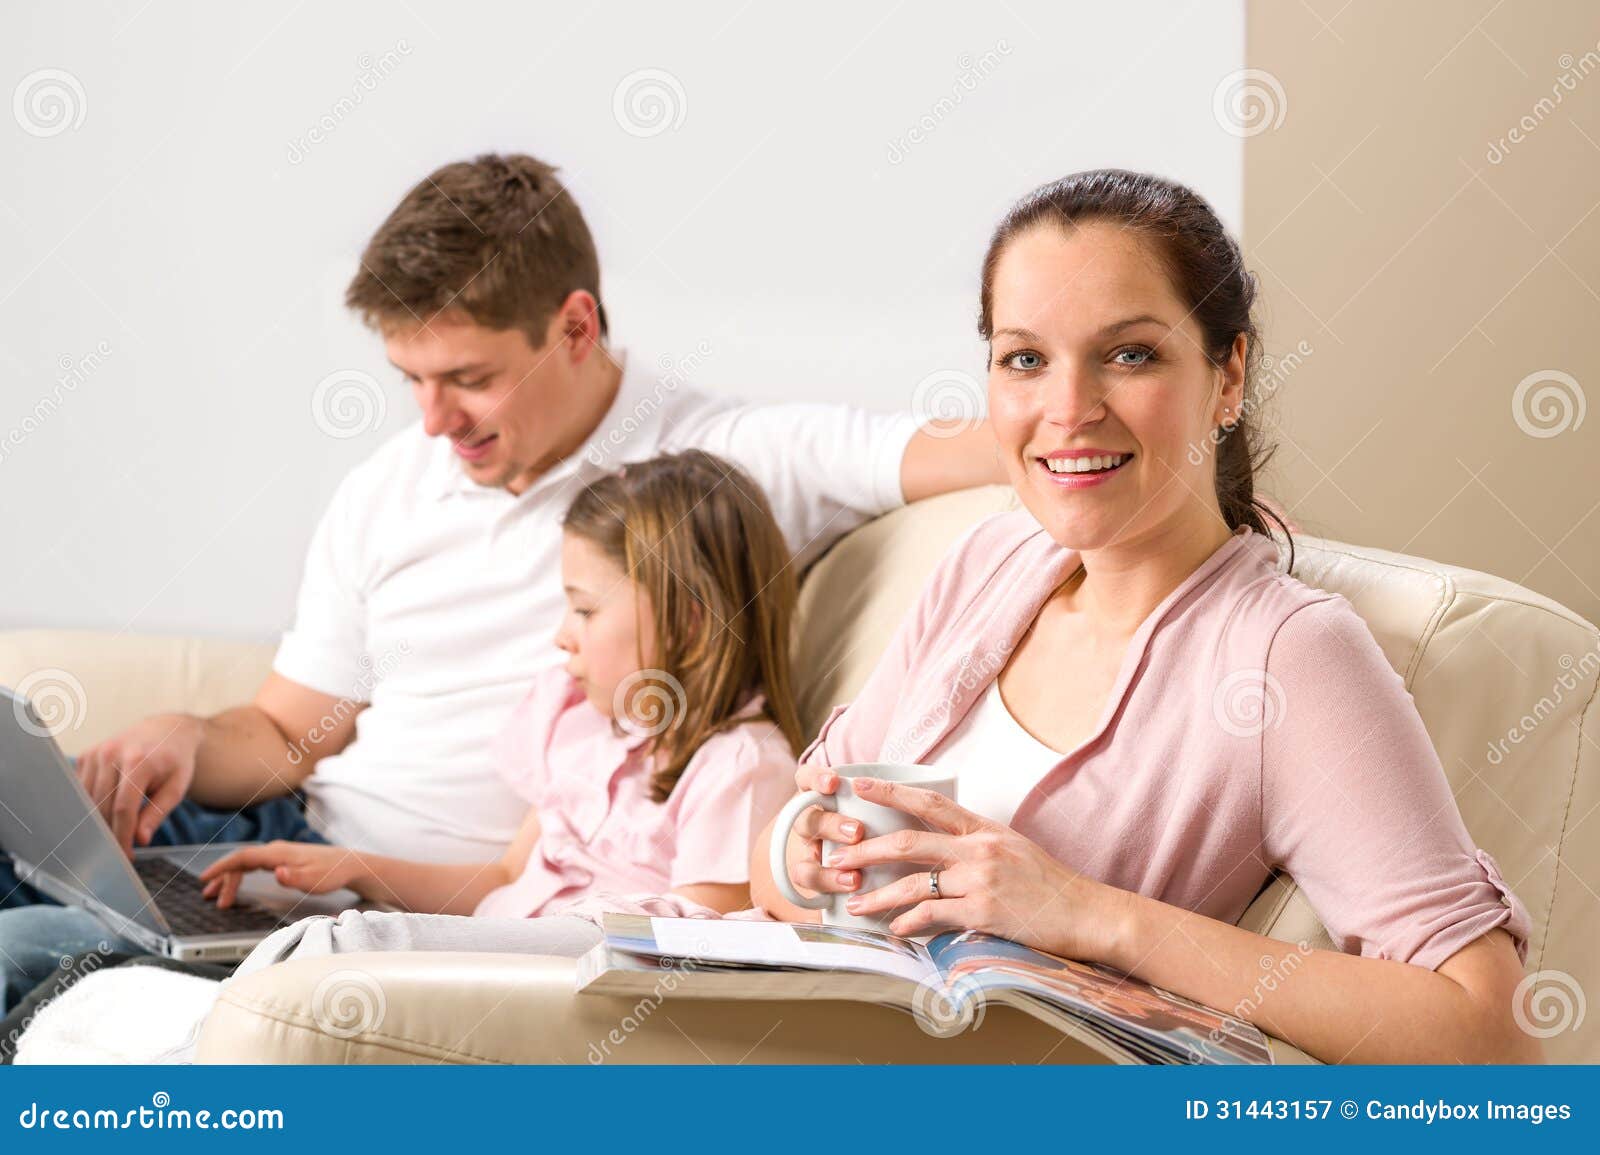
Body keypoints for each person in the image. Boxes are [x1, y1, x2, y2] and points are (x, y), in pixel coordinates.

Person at [0, 153, 1001, 1009]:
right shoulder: (391, 486)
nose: (433, 421)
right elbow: (285, 730)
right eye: (412, 381)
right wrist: (187, 736)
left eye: (468, 378)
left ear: (574, 327)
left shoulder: (727, 462)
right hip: (277, 842)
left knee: (26, 950)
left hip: (414, 901)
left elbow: (1013, 443)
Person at [750, 169, 1540, 1065]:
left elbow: (1490, 1030)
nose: (1068, 409)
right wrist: (798, 857)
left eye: (1129, 354)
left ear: (1228, 372)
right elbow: (792, 832)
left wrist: (1091, 914)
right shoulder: (986, 562)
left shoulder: (1286, 654)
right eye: (1025, 358)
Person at [200, 451, 801, 926]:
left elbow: (696, 937)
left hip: (522, 995)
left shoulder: (740, 767)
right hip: (486, 959)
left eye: (586, 611)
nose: (563, 637)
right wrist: (357, 870)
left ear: (688, 620)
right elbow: (506, 880)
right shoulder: (586, 730)